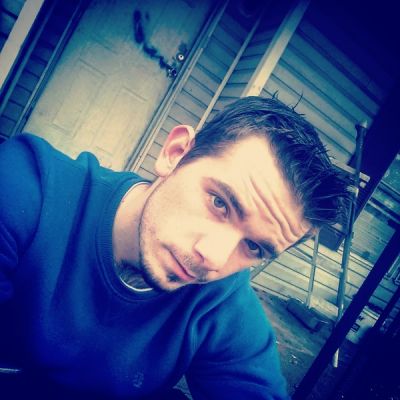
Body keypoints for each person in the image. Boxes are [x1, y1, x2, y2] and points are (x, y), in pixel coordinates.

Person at [0, 96, 349, 399]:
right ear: (175, 153)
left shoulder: (223, 304)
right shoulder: (24, 189)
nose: (213, 258)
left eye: (254, 247)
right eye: (219, 203)